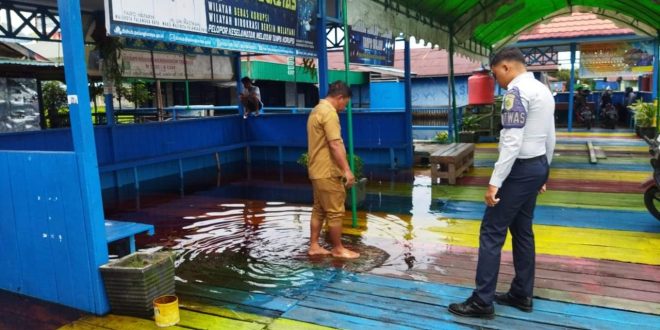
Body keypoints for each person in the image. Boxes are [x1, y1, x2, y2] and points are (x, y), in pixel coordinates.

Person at [448, 47, 556, 318]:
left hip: (519, 171)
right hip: (537, 166)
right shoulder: (543, 89)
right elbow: (550, 135)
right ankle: (522, 293)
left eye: (496, 74)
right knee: (522, 230)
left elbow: (511, 140)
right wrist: (544, 172)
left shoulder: (516, 93)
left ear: (506, 67)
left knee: (491, 232)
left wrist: (495, 182)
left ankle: (482, 301)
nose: (497, 80)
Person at [306, 80, 360, 259]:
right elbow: (335, 144)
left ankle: (314, 246)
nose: (345, 107)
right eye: (345, 103)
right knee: (336, 211)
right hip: (328, 171)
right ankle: (338, 248)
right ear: (339, 97)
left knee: (319, 209)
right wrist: (347, 170)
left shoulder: (316, 110)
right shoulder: (329, 113)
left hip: (316, 170)